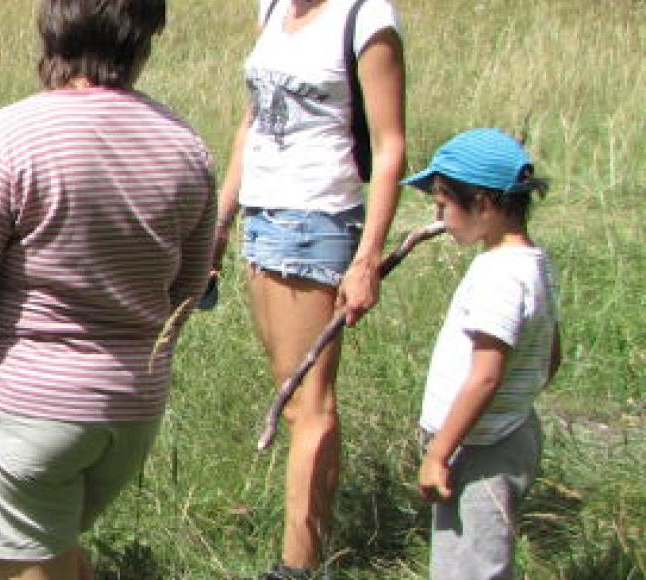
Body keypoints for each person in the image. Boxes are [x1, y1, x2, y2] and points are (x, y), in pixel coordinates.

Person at [0, 0, 216, 577]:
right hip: (132, 408)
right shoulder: (186, 145)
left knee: (31, 564)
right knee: (59, 555)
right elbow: (185, 290)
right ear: (144, 39)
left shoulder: (10, 135)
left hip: (25, 402)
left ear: (51, 32)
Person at [211, 0, 407, 574]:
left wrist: (367, 256)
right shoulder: (271, 6)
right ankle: (304, 553)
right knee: (292, 400)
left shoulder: (367, 18)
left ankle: (297, 566)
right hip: (263, 216)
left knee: (310, 404)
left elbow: (390, 143)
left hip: (318, 222)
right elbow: (253, 119)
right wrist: (222, 219)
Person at [401, 129, 558, 580]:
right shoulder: (535, 264)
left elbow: (485, 376)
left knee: (469, 570)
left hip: (478, 449)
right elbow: (552, 354)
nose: (439, 216)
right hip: (506, 435)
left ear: (484, 205)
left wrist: (439, 452)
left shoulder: (500, 276)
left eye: (443, 204)